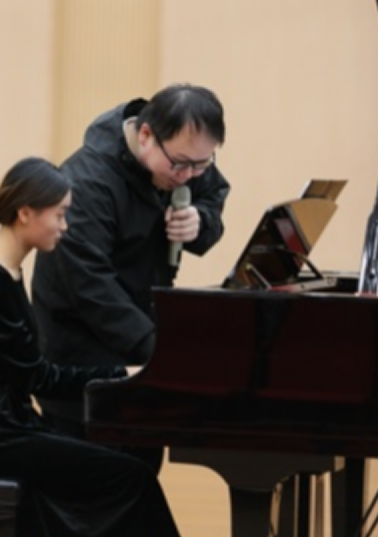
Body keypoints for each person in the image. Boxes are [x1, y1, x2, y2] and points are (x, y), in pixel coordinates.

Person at [0, 156, 183, 537]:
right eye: (60, 214)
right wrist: (121, 374)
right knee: (130, 474)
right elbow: (39, 379)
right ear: (25, 213)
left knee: (111, 473)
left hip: (3, 426)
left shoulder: (6, 273)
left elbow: (29, 375)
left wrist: (120, 375)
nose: (65, 226)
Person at [31, 84, 230, 466]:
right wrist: (161, 351)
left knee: (141, 474)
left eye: (202, 165)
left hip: (140, 341)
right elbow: (91, 287)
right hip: (81, 358)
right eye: (181, 165)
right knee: (93, 482)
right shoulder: (87, 183)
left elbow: (213, 194)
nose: (189, 176)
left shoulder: (184, 157)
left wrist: (201, 220)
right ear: (145, 135)